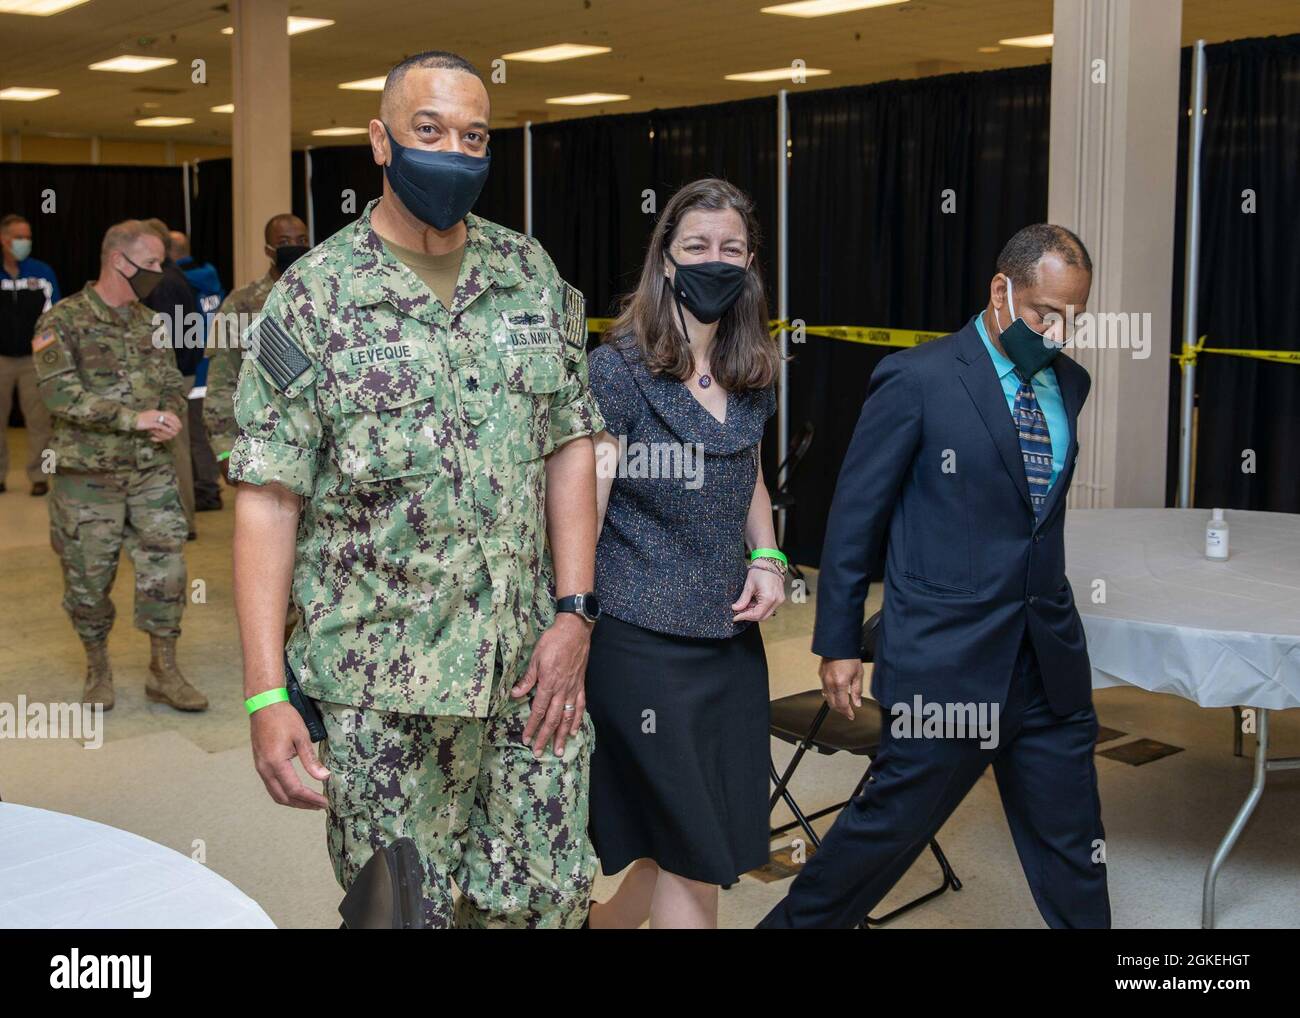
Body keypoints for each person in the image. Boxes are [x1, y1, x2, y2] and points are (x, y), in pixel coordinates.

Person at [231, 50, 605, 928]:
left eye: (473, 137)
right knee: (404, 917)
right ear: (381, 140)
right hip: (380, 692)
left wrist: (575, 611)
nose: (453, 153)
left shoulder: (529, 275)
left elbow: (570, 446)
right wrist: (263, 692)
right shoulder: (316, 298)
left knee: (543, 906)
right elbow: (267, 498)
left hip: (531, 681)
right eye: (429, 131)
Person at [758, 224, 1108, 929]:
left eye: (1075, 318)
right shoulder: (918, 379)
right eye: (1045, 313)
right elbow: (856, 517)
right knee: (878, 840)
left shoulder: (1071, 384)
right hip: (947, 663)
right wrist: (837, 643)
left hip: (1047, 664)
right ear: (1000, 290)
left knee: (1076, 851)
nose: (1059, 332)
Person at [584, 179, 784, 930]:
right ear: (666, 260)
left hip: (729, 642)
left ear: (751, 263)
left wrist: (767, 557)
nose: (714, 260)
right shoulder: (619, 371)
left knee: (686, 843)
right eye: (697, 246)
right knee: (697, 855)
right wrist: (570, 622)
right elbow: (586, 510)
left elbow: (751, 476)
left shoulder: (750, 366)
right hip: (639, 644)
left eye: (731, 248)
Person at [32, 219, 208, 712]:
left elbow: (173, 379)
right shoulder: (61, 322)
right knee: (88, 581)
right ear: (119, 261)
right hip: (88, 480)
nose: (158, 273)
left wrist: (170, 413)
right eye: (151, 264)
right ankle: (98, 669)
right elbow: (60, 396)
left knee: (167, 572)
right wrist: (135, 418)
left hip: (151, 474)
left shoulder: (149, 322)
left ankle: (163, 670)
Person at [203, 212, 308, 480]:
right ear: (268, 250)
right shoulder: (242, 303)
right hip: (266, 447)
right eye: (284, 241)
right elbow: (221, 381)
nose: (294, 246)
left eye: (302, 240)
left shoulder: (326, 296)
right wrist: (224, 450)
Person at [141, 218, 201, 536]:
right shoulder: (171, 275)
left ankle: (183, 522)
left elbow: (165, 337)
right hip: (179, 371)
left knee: (174, 449)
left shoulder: (162, 281)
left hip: (173, 375)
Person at [0, 213, 58, 496]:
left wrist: (43, 351)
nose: (25, 242)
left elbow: (54, 316)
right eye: (19, 237)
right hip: (0, 360)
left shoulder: (42, 272)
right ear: (4, 239)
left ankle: (39, 475)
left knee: (39, 421)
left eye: (28, 237)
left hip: (32, 361)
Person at [168, 229, 224, 511]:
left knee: (194, 437)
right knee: (205, 433)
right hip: (213, 365)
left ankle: (206, 490)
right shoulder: (211, 275)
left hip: (192, 368)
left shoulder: (176, 283)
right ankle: (208, 486)